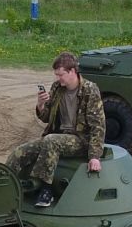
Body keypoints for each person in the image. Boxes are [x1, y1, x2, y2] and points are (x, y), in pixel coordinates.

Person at [7, 51, 104, 209]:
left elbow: (98, 125)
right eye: (57, 75)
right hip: (57, 136)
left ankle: (46, 189)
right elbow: (46, 117)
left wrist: (94, 156)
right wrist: (40, 105)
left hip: (79, 140)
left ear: (72, 71)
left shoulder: (90, 90)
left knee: (51, 141)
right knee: (20, 152)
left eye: (61, 75)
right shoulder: (57, 88)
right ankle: (5, 186)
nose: (58, 78)